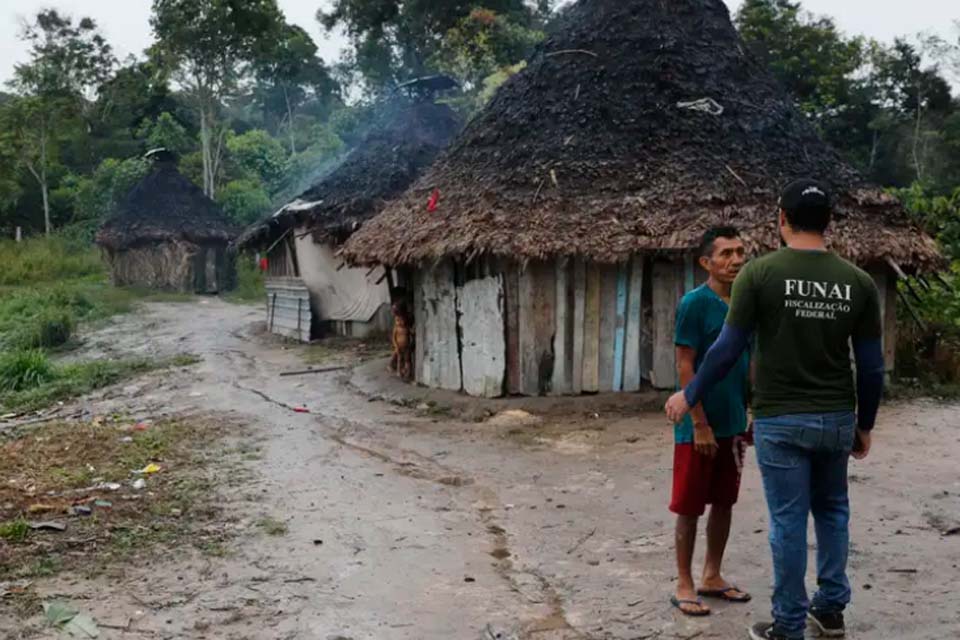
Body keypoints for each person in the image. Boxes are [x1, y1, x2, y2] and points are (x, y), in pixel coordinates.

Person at [664, 179, 885, 640]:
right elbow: (869, 366)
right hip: (836, 417)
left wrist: (689, 395)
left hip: (781, 419)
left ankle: (787, 624)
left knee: (788, 519)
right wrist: (865, 424)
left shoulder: (759, 275)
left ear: (781, 219)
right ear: (829, 223)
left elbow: (726, 349)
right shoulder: (858, 282)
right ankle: (830, 610)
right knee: (833, 512)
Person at [669, 227, 752, 617]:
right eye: (726, 254)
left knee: (724, 501)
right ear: (706, 262)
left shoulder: (746, 302)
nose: (736, 260)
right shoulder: (694, 304)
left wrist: (751, 413)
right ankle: (684, 582)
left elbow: (751, 363)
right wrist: (699, 421)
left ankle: (712, 575)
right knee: (689, 505)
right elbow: (685, 365)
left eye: (740, 252)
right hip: (698, 425)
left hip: (734, 420)